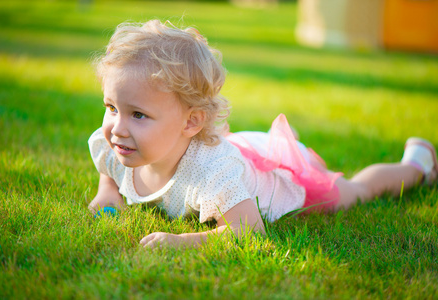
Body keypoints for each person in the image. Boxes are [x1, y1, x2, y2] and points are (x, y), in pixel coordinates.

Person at [88, 20, 438, 249]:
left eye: (138, 115)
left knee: (352, 193)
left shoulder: (211, 171)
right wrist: (108, 192)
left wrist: (182, 242)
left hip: (271, 179)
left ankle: (418, 166)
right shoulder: (116, 144)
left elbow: (248, 230)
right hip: (240, 151)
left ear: (191, 123)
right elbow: (110, 170)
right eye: (112, 108)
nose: (117, 128)